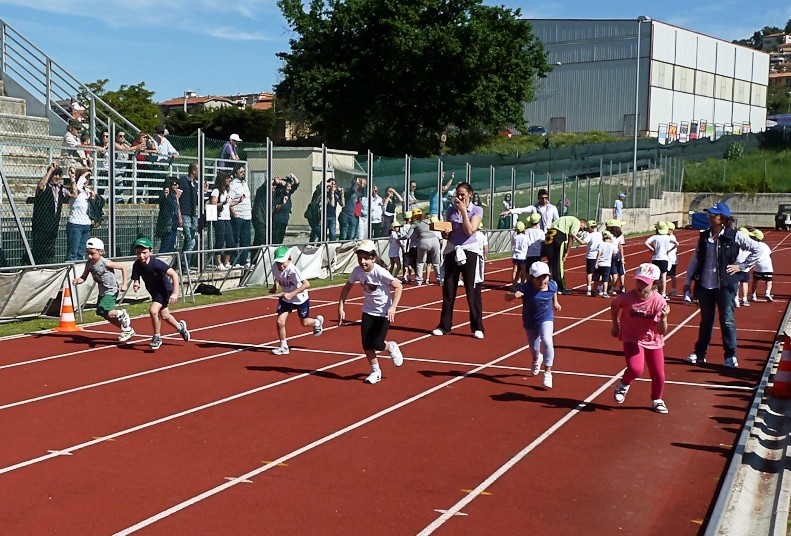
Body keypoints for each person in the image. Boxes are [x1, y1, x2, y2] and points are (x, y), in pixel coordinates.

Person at [683, 202, 762, 368]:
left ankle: (730, 355)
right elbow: (695, 260)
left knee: (727, 320)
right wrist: (688, 281)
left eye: (714, 214)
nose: (711, 217)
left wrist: (741, 266)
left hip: (726, 285)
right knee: (706, 320)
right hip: (705, 285)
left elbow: (758, 250)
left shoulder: (735, 235)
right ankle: (699, 353)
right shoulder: (704, 236)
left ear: (724, 218)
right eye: (710, 214)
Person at [338, 239, 404, 384]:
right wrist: (341, 306)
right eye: (360, 258)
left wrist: (393, 307)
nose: (362, 262)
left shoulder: (380, 272)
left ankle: (391, 346)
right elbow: (346, 288)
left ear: (373, 258)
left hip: (383, 312)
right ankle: (376, 371)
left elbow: (398, 286)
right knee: (366, 344)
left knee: (378, 344)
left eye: (366, 258)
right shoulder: (357, 271)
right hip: (368, 311)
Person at [610, 263, 670, 414]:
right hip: (631, 337)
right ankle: (623, 384)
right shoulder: (626, 297)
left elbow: (661, 331)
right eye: (638, 281)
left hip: (653, 339)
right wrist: (615, 325)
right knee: (636, 369)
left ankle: (657, 399)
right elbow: (614, 305)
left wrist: (663, 318)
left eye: (645, 283)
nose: (640, 285)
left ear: (654, 284)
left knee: (658, 374)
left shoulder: (659, 302)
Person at [432, 182, 485, 339]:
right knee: (448, 289)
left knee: (472, 290)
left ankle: (477, 327)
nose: (459, 197)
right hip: (452, 250)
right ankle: (444, 326)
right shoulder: (450, 211)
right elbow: (446, 234)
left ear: (470, 194)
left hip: (469, 250)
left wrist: (463, 212)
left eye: (462, 194)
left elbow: (469, 231)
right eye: (457, 194)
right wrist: (444, 233)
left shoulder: (476, 210)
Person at [506, 261, 560, 388]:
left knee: (547, 341)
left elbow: (554, 291)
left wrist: (556, 303)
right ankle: (536, 359)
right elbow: (506, 297)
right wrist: (514, 295)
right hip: (530, 321)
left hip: (546, 318)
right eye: (538, 278)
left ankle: (548, 372)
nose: (542, 281)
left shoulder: (552, 285)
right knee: (534, 349)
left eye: (544, 277)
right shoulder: (525, 288)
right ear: (531, 278)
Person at [130, 237, 190, 350]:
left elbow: (174, 274)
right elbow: (136, 278)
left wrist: (175, 293)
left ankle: (157, 337)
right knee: (165, 316)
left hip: (165, 290)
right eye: (138, 253)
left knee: (153, 311)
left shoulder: (156, 264)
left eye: (144, 252)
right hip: (154, 291)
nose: (141, 256)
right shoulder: (137, 265)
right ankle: (180, 327)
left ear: (151, 251)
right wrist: (136, 284)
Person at [72, 237, 135, 342]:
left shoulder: (106, 263)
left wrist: (124, 284)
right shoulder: (89, 263)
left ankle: (122, 313)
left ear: (100, 252)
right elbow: (84, 277)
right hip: (102, 291)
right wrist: (78, 280)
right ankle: (127, 329)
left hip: (111, 290)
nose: (90, 256)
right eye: (88, 253)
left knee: (104, 310)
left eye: (92, 253)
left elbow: (123, 267)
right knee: (103, 313)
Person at [269, 245, 324, 355]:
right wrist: (275, 286)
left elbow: (306, 284)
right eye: (278, 262)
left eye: (282, 262)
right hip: (286, 299)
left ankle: (317, 322)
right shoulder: (275, 267)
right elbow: (277, 276)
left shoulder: (293, 270)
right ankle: (283, 346)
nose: (280, 265)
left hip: (300, 299)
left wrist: (292, 294)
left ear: (289, 259)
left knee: (304, 323)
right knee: (280, 321)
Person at [24, 163, 71, 265]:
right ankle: (32, 264)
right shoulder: (45, 186)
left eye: (59, 175)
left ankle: (47, 267)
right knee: (39, 248)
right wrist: (50, 171)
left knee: (49, 250)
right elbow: (41, 186)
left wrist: (72, 178)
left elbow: (74, 195)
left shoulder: (60, 189)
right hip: (41, 225)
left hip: (53, 225)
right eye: (55, 174)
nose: (57, 177)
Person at [543, 216, 586, 294]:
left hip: (549, 234)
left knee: (550, 261)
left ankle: (547, 283)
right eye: (583, 228)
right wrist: (567, 252)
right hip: (558, 235)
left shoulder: (564, 219)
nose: (581, 230)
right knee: (559, 263)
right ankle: (560, 287)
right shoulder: (576, 222)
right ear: (582, 223)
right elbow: (571, 237)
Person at [65, 168, 95, 262]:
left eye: (88, 178)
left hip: (86, 224)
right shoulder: (76, 190)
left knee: (81, 252)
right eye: (85, 178)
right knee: (72, 252)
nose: (86, 180)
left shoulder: (87, 192)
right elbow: (77, 187)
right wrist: (82, 175)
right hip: (75, 224)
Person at [210, 170, 236, 270]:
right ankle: (218, 262)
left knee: (231, 242)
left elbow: (229, 203)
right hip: (219, 218)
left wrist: (239, 201)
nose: (229, 180)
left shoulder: (227, 191)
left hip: (227, 218)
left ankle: (226, 261)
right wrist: (223, 203)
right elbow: (213, 204)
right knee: (220, 241)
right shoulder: (216, 191)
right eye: (227, 178)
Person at [645, 221, 678, 299]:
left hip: (655, 258)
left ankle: (653, 291)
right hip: (664, 258)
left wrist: (652, 249)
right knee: (663, 276)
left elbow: (646, 242)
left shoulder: (655, 237)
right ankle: (663, 293)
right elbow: (677, 243)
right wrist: (668, 251)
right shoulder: (668, 237)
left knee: (654, 276)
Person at [229, 164, 252, 267]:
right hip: (238, 216)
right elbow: (229, 200)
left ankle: (244, 260)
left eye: (244, 171)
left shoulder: (245, 183)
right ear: (235, 174)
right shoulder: (233, 185)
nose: (243, 173)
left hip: (247, 216)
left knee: (246, 239)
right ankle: (235, 260)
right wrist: (233, 212)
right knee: (236, 239)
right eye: (241, 172)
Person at [411, 208, 441, 285]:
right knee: (436, 262)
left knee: (420, 262)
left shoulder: (414, 223)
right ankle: (440, 279)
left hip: (423, 241)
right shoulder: (428, 221)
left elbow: (408, 235)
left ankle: (418, 280)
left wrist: (400, 238)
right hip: (434, 240)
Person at [178, 162, 200, 266]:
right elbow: (177, 198)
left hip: (193, 215)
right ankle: (184, 265)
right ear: (193, 171)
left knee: (190, 240)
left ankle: (184, 263)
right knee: (190, 239)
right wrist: (179, 214)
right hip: (185, 214)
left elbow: (197, 201)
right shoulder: (183, 181)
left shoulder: (196, 184)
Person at [272, 173, 300, 244]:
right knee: (276, 239)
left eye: (290, 186)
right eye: (288, 186)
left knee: (281, 239)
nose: (290, 188)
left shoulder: (288, 192)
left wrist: (293, 176)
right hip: (277, 220)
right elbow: (276, 208)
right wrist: (283, 203)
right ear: (284, 187)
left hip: (285, 219)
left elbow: (297, 183)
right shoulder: (279, 194)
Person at [156, 178, 182, 253]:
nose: (177, 186)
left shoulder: (173, 195)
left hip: (173, 224)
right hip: (167, 225)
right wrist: (166, 194)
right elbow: (163, 203)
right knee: (165, 246)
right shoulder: (164, 194)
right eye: (175, 184)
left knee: (171, 245)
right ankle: (161, 262)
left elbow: (176, 208)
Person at [748, 229, 774, 302]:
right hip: (768, 265)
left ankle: (753, 295)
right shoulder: (765, 245)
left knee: (755, 280)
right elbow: (769, 253)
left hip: (758, 266)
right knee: (768, 280)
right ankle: (767, 292)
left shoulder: (754, 245)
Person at [582, 219, 603, 296]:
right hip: (599, 255)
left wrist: (574, 236)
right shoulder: (600, 234)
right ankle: (596, 288)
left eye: (587, 228)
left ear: (590, 228)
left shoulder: (590, 235)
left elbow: (583, 242)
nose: (587, 230)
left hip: (591, 256)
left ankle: (589, 288)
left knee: (590, 273)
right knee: (598, 273)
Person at [606, 219, 626, 294]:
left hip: (610, 254)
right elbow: (620, 246)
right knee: (621, 271)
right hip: (617, 254)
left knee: (613, 272)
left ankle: (612, 286)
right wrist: (622, 257)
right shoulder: (620, 235)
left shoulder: (607, 234)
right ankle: (622, 286)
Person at [593, 231, 616, 297]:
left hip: (600, 263)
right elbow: (615, 253)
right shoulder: (612, 245)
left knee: (596, 278)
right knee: (605, 279)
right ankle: (605, 292)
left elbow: (599, 253)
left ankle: (594, 290)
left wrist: (596, 263)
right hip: (607, 264)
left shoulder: (601, 244)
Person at [511, 221, 529, 286]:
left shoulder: (514, 237)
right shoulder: (526, 237)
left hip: (515, 255)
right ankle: (522, 283)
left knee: (515, 270)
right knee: (523, 270)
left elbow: (513, 244)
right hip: (523, 256)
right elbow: (528, 244)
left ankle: (514, 283)